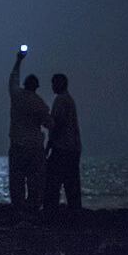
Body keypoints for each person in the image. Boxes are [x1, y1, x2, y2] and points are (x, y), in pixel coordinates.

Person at [8, 51, 52, 210]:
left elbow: (13, 79)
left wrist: (18, 61)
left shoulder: (17, 96)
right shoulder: (39, 103)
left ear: (25, 84)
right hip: (34, 147)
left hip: (18, 145)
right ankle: (32, 209)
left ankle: (18, 208)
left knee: (17, 181)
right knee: (35, 181)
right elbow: (49, 124)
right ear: (36, 87)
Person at [44, 73, 82, 213]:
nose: (52, 86)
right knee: (71, 183)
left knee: (53, 183)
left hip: (62, 147)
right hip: (73, 148)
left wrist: (49, 145)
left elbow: (58, 124)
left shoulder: (61, 100)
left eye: (54, 83)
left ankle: (50, 212)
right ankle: (75, 211)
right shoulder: (68, 100)